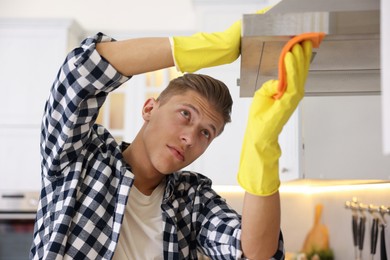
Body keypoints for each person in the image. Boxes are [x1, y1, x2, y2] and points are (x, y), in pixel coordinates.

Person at [30, 11, 317, 259]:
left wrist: (262, 142)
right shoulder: (81, 157)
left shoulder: (191, 200)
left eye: (206, 132)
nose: (190, 138)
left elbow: (255, 252)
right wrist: (202, 48)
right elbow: (78, 73)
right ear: (149, 108)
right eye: (185, 115)